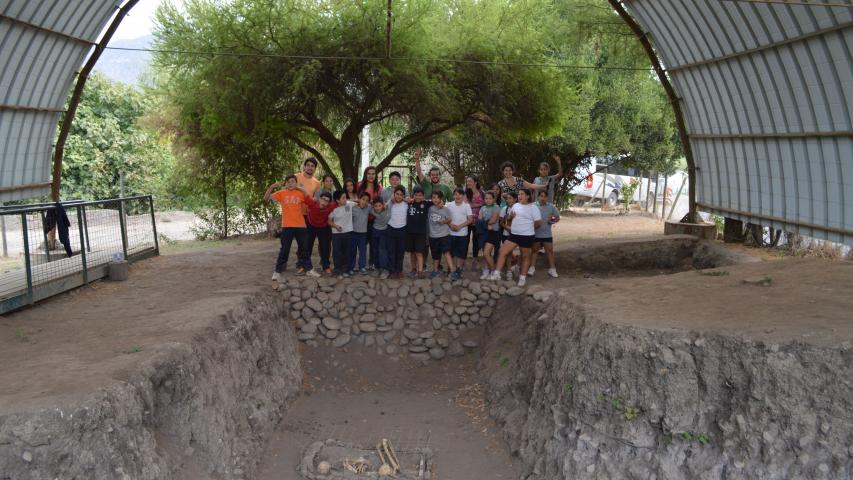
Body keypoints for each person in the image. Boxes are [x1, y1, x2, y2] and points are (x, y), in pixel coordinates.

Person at [490, 189, 542, 287]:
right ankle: (497, 273)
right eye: (519, 194)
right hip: (514, 234)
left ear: (528, 196)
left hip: (527, 236)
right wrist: (510, 218)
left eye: (522, 194)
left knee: (525, 257)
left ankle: (522, 278)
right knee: (502, 251)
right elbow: (509, 219)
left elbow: (539, 223)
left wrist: (528, 228)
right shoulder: (516, 205)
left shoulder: (533, 208)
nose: (519, 196)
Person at [264, 175, 308, 280]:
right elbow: (265, 199)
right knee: (284, 249)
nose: (290, 183)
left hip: (300, 225)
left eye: (293, 181)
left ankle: (307, 268)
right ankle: (278, 271)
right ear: (286, 184)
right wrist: (272, 187)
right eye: (288, 182)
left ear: (296, 183)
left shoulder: (300, 193)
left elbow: (309, 199)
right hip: (287, 226)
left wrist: (301, 188)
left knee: (304, 249)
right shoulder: (282, 193)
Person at [294, 157, 321, 270]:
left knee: (307, 240)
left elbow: (316, 199)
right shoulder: (296, 177)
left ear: (314, 169)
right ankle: (300, 262)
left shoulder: (317, 183)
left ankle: (303, 263)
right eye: (308, 165)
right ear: (304, 166)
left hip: (308, 214)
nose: (310, 167)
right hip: (295, 213)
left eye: (312, 166)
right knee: (299, 239)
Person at [302, 190, 336, 277]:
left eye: (327, 201)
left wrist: (358, 201)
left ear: (329, 202)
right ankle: (304, 265)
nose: (324, 202)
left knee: (325, 246)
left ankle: (326, 266)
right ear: (319, 199)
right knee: (307, 245)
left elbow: (344, 201)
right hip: (311, 225)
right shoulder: (312, 202)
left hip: (324, 226)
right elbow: (305, 193)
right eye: (323, 199)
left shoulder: (331, 206)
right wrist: (299, 187)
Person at [356, 166, 382, 271]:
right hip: (361, 218)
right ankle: (360, 263)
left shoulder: (379, 188)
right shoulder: (359, 186)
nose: (371, 176)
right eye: (369, 173)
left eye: (373, 174)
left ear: (375, 176)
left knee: (373, 242)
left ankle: (372, 262)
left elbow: (380, 202)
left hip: (373, 219)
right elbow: (356, 199)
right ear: (365, 175)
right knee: (361, 242)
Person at [531, 190, 560, 278]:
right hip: (535, 233)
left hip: (547, 234)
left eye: (545, 196)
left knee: (550, 251)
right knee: (534, 251)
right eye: (541, 196)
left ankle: (552, 269)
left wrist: (552, 220)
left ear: (547, 198)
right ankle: (532, 268)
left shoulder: (551, 206)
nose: (543, 198)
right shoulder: (533, 206)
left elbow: (557, 217)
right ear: (538, 197)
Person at [427, 191, 456, 279]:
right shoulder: (430, 208)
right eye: (433, 197)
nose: (435, 199)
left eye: (437, 197)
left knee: (447, 252)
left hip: (444, 235)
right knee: (435, 255)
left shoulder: (445, 209)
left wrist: (444, 221)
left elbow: (450, 219)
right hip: (433, 236)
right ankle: (435, 270)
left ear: (441, 199)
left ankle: (452, 271)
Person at [446, 188, 473, 277]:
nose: (458, 196)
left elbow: (470, 220)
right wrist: (450, 225)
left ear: (463, 196)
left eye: (460, 194)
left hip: (462, 234)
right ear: (453, 196)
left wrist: (459, 226)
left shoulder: (466, 206)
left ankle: (458, 269)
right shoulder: (449, 205)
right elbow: (445, 217)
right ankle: (451, 268)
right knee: (451, 252)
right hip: (450, 233)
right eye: (456, 194)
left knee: (460, 253)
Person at [328, 191, 354, 278]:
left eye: (345, 197)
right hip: (336, 234)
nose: (345, 199)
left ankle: (346, 270)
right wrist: (336, 226)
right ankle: (337, 270)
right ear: (337, 200)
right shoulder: (333, 209)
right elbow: (329, 221)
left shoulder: (349, 204)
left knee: (347, 252)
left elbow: (359, 202)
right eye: (343, 198)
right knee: (337, 252)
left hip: (348, 233)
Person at [405, 186, 430, 278]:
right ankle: (413, 269)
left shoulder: (426, 204)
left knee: (419, 252)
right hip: (410, 232)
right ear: (413, 195)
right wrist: (407, 199)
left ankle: (420, 271)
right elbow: (401, 199)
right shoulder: (409, 203)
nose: (418, 197)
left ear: (423, 196)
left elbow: (436, 201)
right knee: (412, 252)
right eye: (416, 195)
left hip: (421, 233)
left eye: (420, 195)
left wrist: (441, 203)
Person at [478, 191, 502, 280]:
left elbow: (494, 220)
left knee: (486, 253)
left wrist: (485, 222)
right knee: (485, 254)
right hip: (484, 233)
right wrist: (486, 224)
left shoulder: (496, 207)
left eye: (490, 198)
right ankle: (486, 270)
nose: (488, 200)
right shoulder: (482, 208)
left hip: (493, 233)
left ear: (494, 199)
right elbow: (479, 220)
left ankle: (493, 271)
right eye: (486, 198)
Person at [386, 186, 408, 278]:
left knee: (400, 251)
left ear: (404, 196)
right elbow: (384, 206)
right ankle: (392, 271)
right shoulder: (390, 203)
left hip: (402, 230)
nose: (398, 196)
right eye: (397, 194)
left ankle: (399, 270)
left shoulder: (406, 205)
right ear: (393, 194)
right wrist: (390, 200)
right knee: (391, 251)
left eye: (401, 195)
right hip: (391, 229)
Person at [465, 175, 485, 270]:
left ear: (475, 182)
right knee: (466, 240)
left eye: (470, 181)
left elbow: (485, 205)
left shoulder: (482, 193)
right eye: (467, 181)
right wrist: (479, 205)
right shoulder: (466, 193)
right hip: (468, 221)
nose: (468, 183)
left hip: (478, 222)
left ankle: (475, 260)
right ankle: (463, 260)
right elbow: (466, 205)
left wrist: (473, 205)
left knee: (476, 241)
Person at [369, 197, 391, 279]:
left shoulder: (387, 208)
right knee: (374, 250)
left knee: (382, 250)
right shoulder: (371, 209)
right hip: (375, 231)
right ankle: (377, 267)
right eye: (376, 206)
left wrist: (386, 204)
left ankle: (385, 269)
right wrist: (371, 202)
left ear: (383, 205)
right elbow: (362, 203)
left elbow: (391, 199)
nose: (377, 208)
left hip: (384, 232)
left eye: (379, 205)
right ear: (373, 206)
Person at [349, 192, 371, 275]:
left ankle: (362, 267)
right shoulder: (353, 207)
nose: (364, 202)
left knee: (363, 251)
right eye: (363, 199)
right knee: (352, 251)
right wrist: (355, 200)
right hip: (354, 233)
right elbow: (347, 202)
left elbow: (375, 205)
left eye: (366, 200)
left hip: (363, 234)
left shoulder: (368, 207)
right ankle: (351, 267)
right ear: (359, 199)